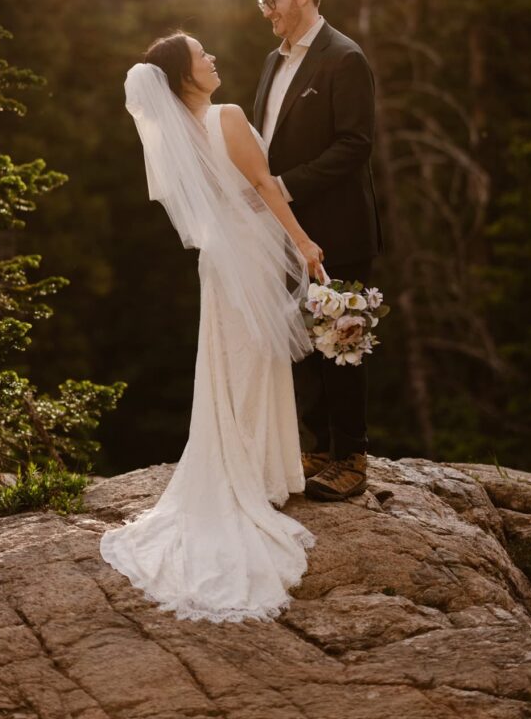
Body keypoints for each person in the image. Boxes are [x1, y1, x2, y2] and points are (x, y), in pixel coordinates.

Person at [99, 31, 324, 623]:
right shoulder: (224, 117)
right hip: (246, 254)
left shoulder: (188, 135)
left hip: (221, 260)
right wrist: (302, 243)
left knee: (231, 361)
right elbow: (264, 185)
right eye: (202, 56)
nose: (213, 58)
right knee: (251, 360)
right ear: (184, 77)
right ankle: (257, 476)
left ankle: (259, 469)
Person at [252, 0, 383, 502]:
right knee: (300, 343)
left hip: (337, 231)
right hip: (285, 235)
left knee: (341, 343)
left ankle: (350, 457)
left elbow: (355, 145)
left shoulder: (344, 58)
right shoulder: (272, 61)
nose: (267, 10)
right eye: (261, 1)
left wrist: (285, 186)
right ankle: (316, 452)